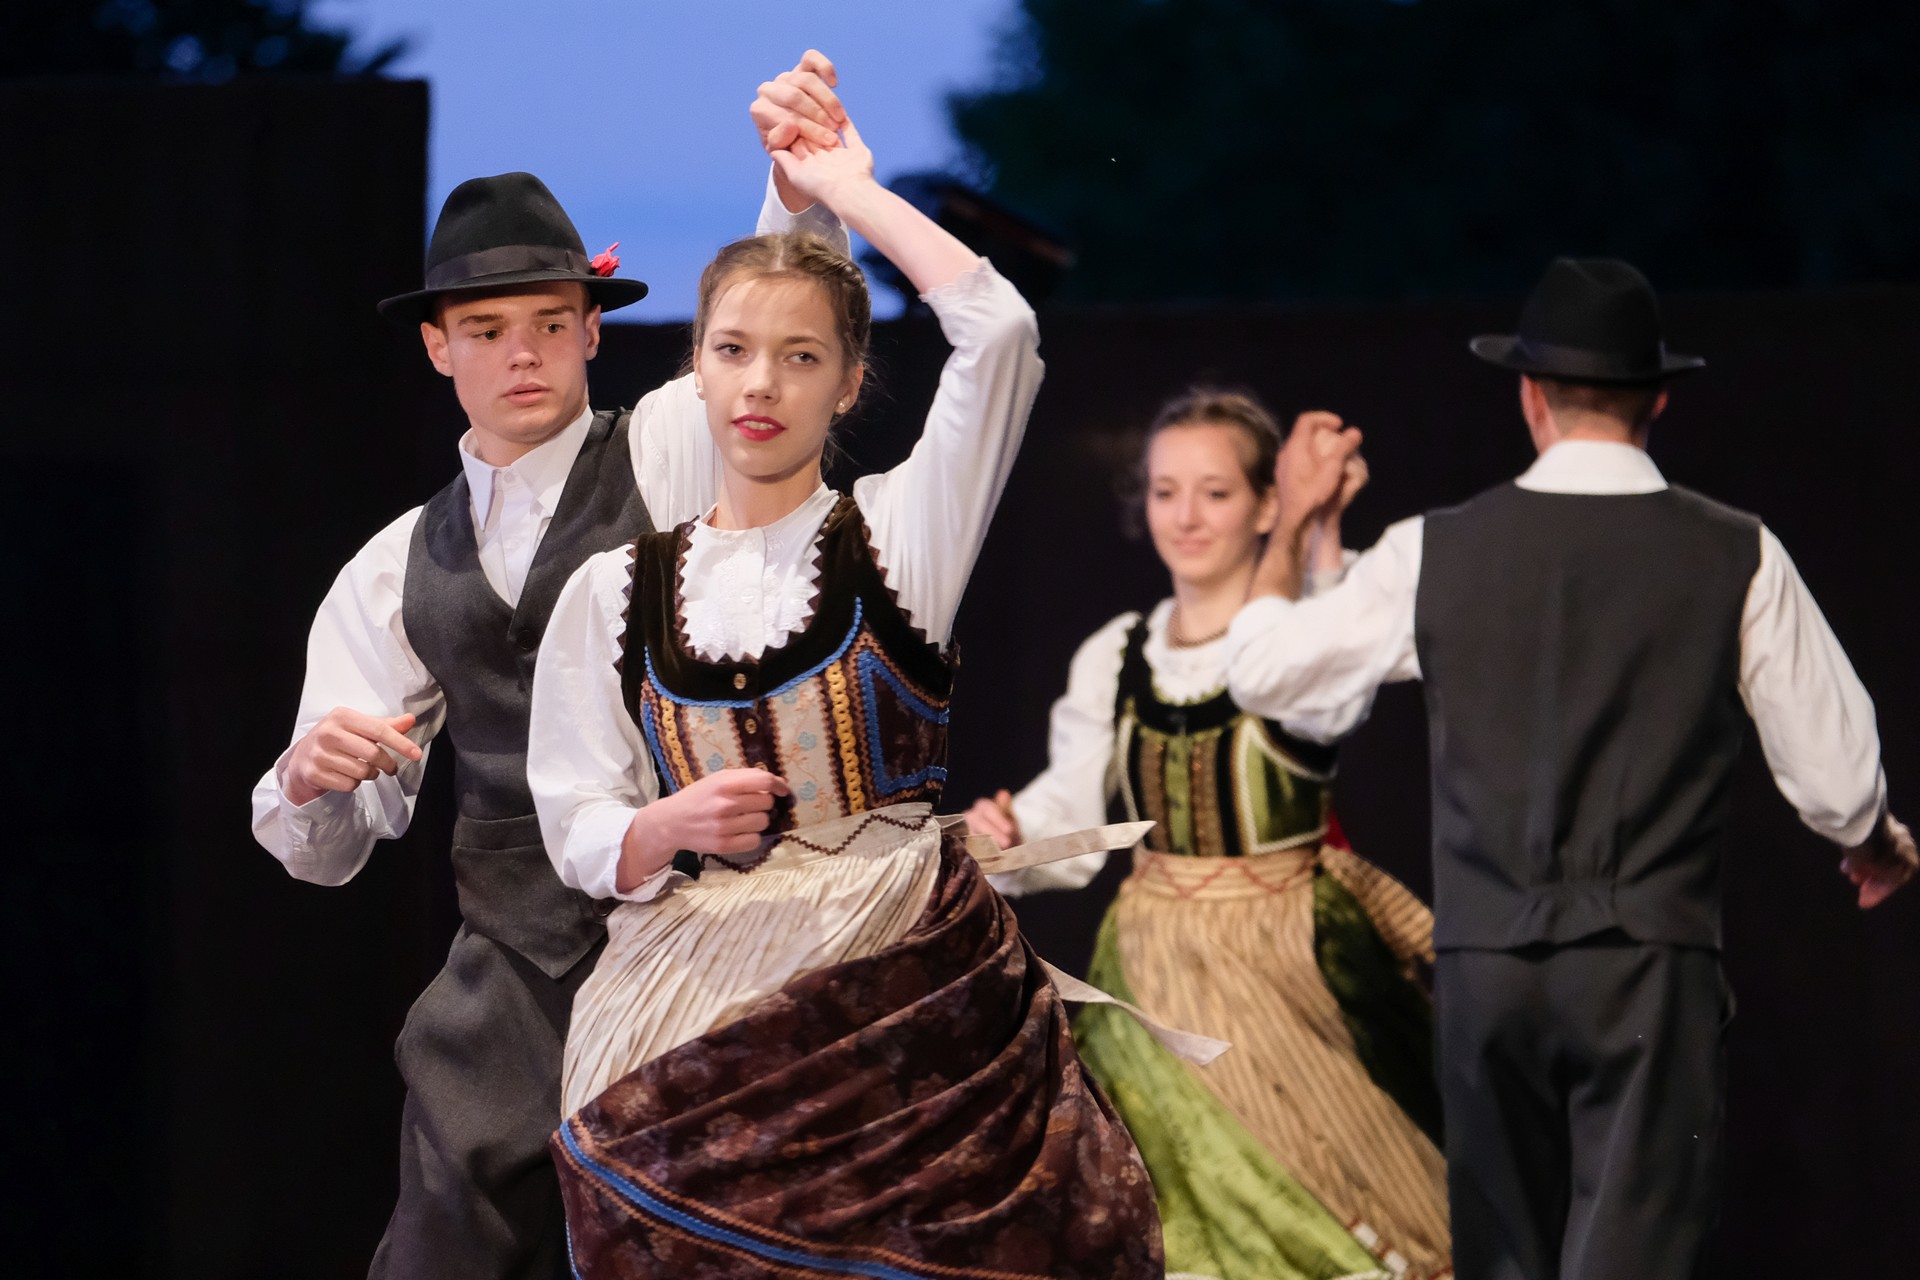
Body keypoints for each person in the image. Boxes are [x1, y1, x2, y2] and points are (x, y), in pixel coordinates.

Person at [526, 89, 1162, 1280]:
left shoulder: (900, 538)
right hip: (688, 1003)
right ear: (696, 369)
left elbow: (1001, 335)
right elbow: (574, 809)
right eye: (732, 350)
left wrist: (848, 191)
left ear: (850, 382)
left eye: (801, 355)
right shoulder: (617, 589)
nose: (761, 383)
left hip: (892, 995)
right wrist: (658, 826)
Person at [248, 55, 852, 1280]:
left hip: (694, 929)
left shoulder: (671, 448)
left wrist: (799, 188)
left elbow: (772, 334)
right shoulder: (394, 565)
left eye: (546, 325)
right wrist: (309, 776)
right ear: (438, 348)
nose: (521, 355)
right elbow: (327, 840)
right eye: (486, 331)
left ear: (590, 331)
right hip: (515, 975)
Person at [1226, 257, 1918, 1280]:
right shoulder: (1737, 552)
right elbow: (1840, 778)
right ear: (1659, 399)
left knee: (1501, 1256)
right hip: (1649, 971)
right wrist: (1873, 841)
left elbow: (1270, 677)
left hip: (1487, 968)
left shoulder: (1434, 552)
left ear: (1529, 395)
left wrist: (1299, 526)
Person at [965, 388, 1451, 1280]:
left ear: (1267, 505)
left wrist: (1316, 532)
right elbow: (1072, 806)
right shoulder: (1118, 652)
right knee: (1159, 1209)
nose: (1185, 516)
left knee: (1321, 1204)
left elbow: (1336, 665)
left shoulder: (1299, 643)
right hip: (1153, 968)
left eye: (1215, 493)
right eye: (1165, 491)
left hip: (1288, 962)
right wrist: (1013, 831)